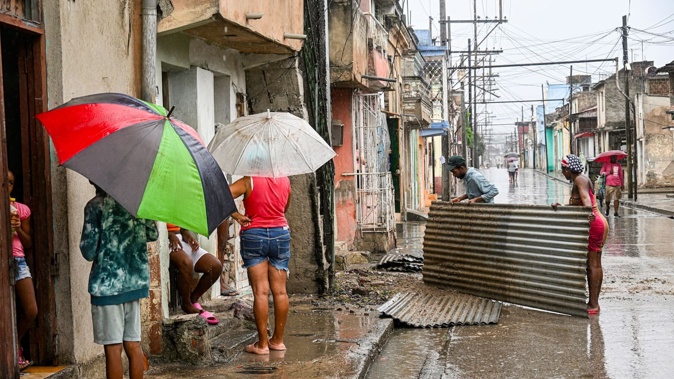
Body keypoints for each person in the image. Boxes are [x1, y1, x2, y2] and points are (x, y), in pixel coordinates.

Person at [80, 183, 158, 379]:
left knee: (113, 349)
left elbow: (88, 251)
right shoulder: (138, 204)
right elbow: (152, 234)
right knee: (134, 344)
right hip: (135, 282)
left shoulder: (95, 206)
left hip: (107, 286)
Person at [229, 176, 291, 355]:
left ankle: (262, 344)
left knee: (260, 292)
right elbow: (285, 207)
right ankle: (278, 341)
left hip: (254, 234)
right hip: (280, 233)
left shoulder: (249, 180)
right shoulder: (285, 180)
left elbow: (223, 195)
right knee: (280, 291)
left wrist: (237, 215)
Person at [551, 154, 608, 315]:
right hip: (596, 222)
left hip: (594, 225)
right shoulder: (581, 179)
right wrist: (561, 207)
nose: (562, 173)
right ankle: (593, 302)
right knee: (595, 263)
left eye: (562, 170)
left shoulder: (579, 180)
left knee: (593, 264)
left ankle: (593, 305)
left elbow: (586, 203)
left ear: (567, 169)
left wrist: (587, 213)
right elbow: (580, 205)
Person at [8, 170, 36, 371]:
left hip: (18, 260)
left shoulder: (21, 210)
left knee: (31, 310)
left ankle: (15, 344)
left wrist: (17, 227)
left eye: (10, 182)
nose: (7, 186)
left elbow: (28, 243)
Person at [167, 224, 222, 324]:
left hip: (181, 241)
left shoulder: (179, 208)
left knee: (215, 266)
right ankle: (186, 303)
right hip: (166, 241)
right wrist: (170, 235)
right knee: (186, 263)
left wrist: (189, 237)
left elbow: (183, 228)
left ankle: (193, 299)